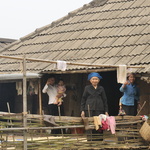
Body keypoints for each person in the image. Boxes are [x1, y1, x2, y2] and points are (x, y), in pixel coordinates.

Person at [80, 72, 109, 141]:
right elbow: (83, 99)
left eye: (96, 79)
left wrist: (106, 111)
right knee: (90, 124)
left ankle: (99, 140)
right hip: (89, 109)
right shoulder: (87, 88)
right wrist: (82, 110)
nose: (94, 80)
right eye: (93, 79)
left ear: (98, 80)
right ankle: (90, 140)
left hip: (99, 109)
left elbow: (105, 100)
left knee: (99, 124)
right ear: (90, 80)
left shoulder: (101, 88)